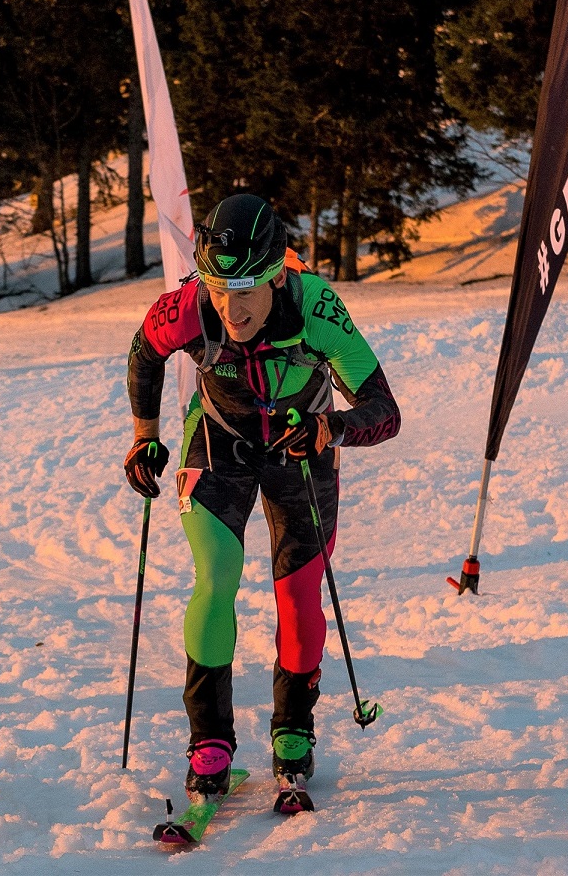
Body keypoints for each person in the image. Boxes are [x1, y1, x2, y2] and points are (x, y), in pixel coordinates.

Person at [124, 194, 401, 803]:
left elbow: (386, 411)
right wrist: (145, 437)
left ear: (278, 275)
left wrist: (331, 429)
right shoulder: (188, 307)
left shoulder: (318, 309)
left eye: (246, 289)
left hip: (302, 452)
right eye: (220, 287)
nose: (231, 307)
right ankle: (209, 742)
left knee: (297, 592)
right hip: (218, 445)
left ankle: (294, 732)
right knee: (216, 577)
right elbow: (145, 352)